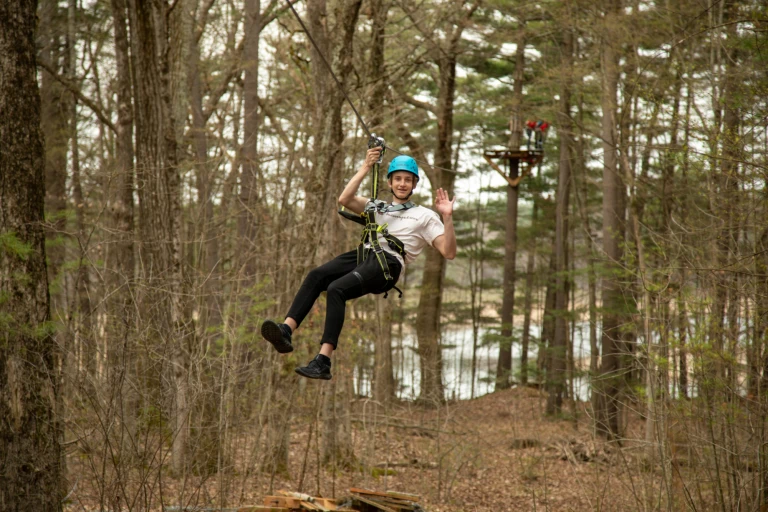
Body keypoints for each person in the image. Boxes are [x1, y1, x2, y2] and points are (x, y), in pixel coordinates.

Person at [260, 146, 457, 380]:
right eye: (398, 179)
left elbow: (449, 251)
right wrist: (366, 166)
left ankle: (323, 361)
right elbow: (345, 199)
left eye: (407, 180)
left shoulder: (424, 215)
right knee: (317, 275)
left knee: (336, 289)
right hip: (365, 254)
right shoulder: (378, 207)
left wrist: (447, 217)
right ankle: (286, 330)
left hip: (388, 263)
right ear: (390, 182)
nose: (402, 184)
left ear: (414, 185)